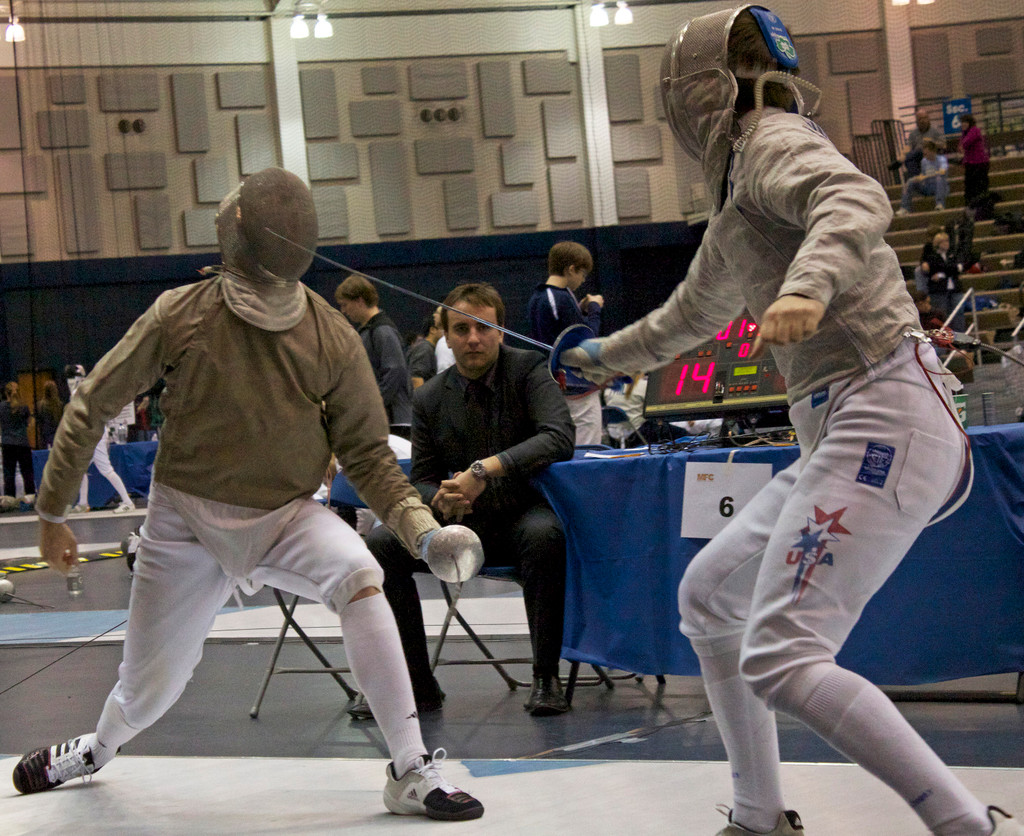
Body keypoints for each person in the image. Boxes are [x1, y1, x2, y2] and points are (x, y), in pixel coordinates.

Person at [561, 7, 1022, 836]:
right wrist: (601, 357)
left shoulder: (771, 141)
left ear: (703, 93)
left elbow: (852, 195)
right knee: (709, 596)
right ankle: (759, 814)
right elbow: (688, 317)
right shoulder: (738, 195)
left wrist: (808, 286)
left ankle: (964, 826)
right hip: (846, 425)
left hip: (883, 407)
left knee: (782, 652)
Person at [12, 167, 483, 823]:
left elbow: (369, 456)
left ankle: (410, 769)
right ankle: (97, 749)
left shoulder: (330, 336)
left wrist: (424, 533)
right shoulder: (182, 313)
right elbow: (94, 403)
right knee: (149, 690)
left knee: (360, 576)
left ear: (236, 231)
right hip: (183, 524)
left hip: (286, 517)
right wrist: (51, 511)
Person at [362, 282, 576, 720]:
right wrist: (442, 497)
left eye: (483, 327)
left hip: (520, 515)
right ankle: (417, 685)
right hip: (458, 525)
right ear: (445, 335)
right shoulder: (428, 396)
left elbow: (558, 437)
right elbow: (421, 480)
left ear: (500, 331)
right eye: (461, 329)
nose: (473, 338)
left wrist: (483, 470)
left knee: (545, 536)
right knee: (381, 545)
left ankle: (545, 677)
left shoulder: (529, 370)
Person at [528, 241, 604, 445]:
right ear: (571, 269)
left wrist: (579, 310)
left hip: (555, 387)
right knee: (587, 450)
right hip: (576, 390)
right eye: (582, 274)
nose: (583, 280)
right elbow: (587, 343)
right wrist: (594, 309)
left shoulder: (540, 296)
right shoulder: (560, 298)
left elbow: (559, 330)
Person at [334, 274, 413, 433]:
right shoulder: (368, 331)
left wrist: (373, 405)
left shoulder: (382, 331)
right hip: (382, 417)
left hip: (393, 421)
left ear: (359, 301)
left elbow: (395, 372)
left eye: (345, 304)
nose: (343, 311)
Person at [64, 365, 135, 515]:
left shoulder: (81, 393)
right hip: (92, 434)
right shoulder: (86, 391)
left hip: (95, 436)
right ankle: (83, 504)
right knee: (80, 468)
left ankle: (128, 502)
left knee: (106, 470)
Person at [0, 381, 36, 498]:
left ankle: (9, 497)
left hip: (7, 443)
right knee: (27, 472)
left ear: (6, 393)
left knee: (9, 473)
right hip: (22, 443)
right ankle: (30, 495)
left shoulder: (1, 407)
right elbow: (29, 425)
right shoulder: (23, 407)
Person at [924, 231, 965, 332]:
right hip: (939, 290)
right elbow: (934, 269)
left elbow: (958, 268)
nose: (947, 243)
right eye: (944, 241)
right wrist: (951, 269)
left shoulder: (953, 255)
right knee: (942, 314)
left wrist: (941, 274)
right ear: (938, 243)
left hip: (955, 288)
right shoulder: (932, 256)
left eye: (947, 241)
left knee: (958, 312)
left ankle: (960, 335)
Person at [897, 138, 948, 216]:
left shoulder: (941, 159)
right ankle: (904, 208)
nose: (925, 156)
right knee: (910, 181)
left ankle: (940, 204)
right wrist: (918, 178)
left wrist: (925, 176)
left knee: (939, 178)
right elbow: (923, 174)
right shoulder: (924, 161)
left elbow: (942, 172)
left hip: (939, 187)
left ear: (932, 151)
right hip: (927, 186)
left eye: (926, 154)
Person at [894, 108, 945, 179]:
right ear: (917, 121)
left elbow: (943, 145)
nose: (922, 121)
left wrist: (931, 143)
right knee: (909, 158)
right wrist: (902, 155)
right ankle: (916, 178)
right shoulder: (913, 133)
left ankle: (900, 163)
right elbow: (909, 146)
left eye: (924, 118)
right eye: (920, 119)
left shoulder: (935, 131)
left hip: (931, 155)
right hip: (918, 157)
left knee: (916, 153)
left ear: (928, 119)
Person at [958, 114, 990, 209]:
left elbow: (965, 143)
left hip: (979, 163)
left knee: (979, 185)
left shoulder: (975, 130)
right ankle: (971, 204)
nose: (963, 124)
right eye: (962, 122)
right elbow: (960, 147)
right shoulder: (965, 133)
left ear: (970, 123)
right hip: (970, 163)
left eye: (965, 122)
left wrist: (962, 146)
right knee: (969, 186)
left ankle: (981, 205)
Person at [406, 309, 443, 388]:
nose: (445, 332)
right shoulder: (425, 349)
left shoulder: (427, 347)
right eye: (442, 328)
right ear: (432, 330)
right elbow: (416, 378)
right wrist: (421, 396)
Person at [35, 380, 65, 449]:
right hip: (57, 436)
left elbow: (38, 422)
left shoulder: (40, 406)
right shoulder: (60, 405)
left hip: (44, 437)